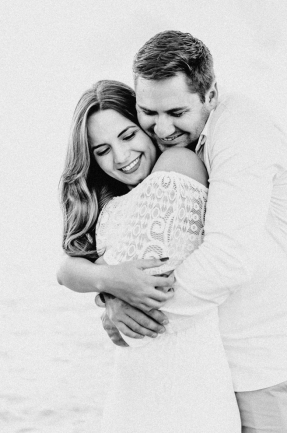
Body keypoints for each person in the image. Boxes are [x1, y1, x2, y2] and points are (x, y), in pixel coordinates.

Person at [59, 31, 287, 432]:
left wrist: (131, 314)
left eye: (175, 112)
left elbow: (227, 260)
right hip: (221, 371)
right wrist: (111, 291)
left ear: (210, 94)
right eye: (148, 113)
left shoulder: (241, 131)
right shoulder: (182, 151)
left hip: (274, 365)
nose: (162, 127)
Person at [58, 80, 241, 432]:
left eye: (128, 136)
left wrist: (107, 286)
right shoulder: (110, 201)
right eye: (102, 150)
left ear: (144, 124)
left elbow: (151, 282)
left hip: (188, 384)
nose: (122, 157)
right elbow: (66, 269)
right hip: (131, 386)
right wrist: (109, 287)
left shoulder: (179, 164)